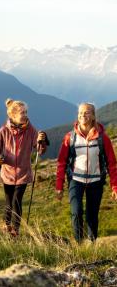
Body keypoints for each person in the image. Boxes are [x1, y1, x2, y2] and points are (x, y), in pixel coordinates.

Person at [56, 102, 117, 243]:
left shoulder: (103, 138)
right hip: (75, 180)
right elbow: (61, 162)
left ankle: (91, 244)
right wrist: (59, 186)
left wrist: (115, 186)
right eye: (80, 112)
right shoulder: (70, 137)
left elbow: (112, 164)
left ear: (93, 116)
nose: (83, 115)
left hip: (96, 181)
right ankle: (79, 245)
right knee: (76, 212)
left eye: (87, 112)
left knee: (92, 215)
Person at [0, 98, 48, 237]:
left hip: (23, 173)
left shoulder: (31, 130)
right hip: (7, 173)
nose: (26, 115)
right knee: (9, 201)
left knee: (17, 200)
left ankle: (15, 229)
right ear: (13, 115)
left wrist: (42, 141)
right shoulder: (3, 130)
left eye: (26, 112)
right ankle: (7, 225)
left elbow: (39, 150)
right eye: (23, 112)